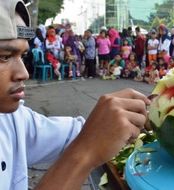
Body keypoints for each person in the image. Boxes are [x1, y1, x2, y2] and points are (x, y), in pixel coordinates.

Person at [0, 1, 150, 189]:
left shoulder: (12, 118)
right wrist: (85, 153)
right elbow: (85, 141)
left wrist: (121, 117)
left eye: (22, 56)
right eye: (4, 56)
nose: (24, 73)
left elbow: (74, 133)